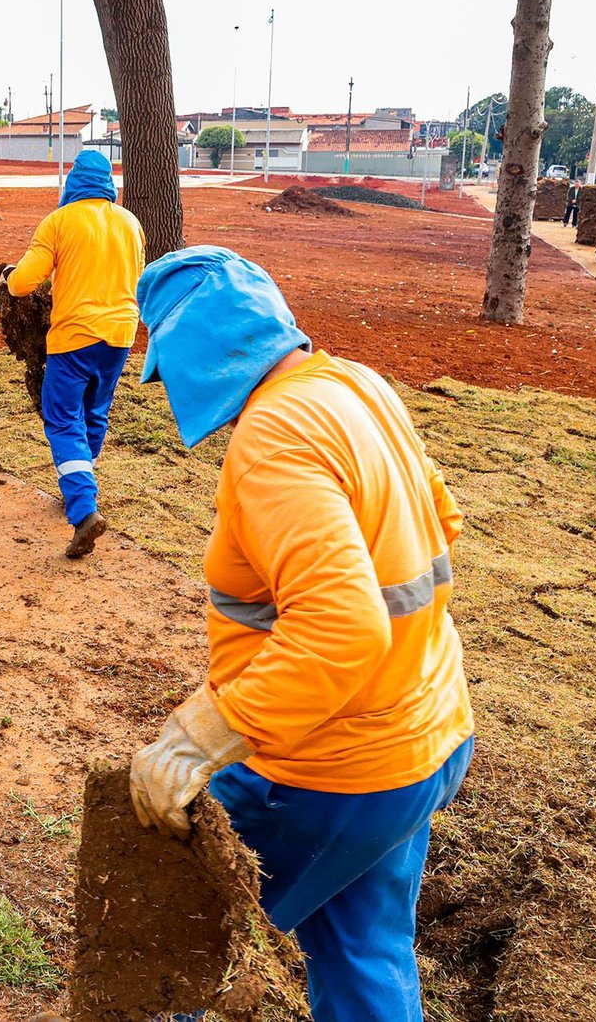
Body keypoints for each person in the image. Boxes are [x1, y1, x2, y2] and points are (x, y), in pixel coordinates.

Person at [127, 246, 474, 1022]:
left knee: (169, 953)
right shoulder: (357, 384)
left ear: (194, 347)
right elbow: (440, 521)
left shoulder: (273, 438)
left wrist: (201, 737)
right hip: (425, 739)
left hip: (327, 775)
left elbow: (342, 624)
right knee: (361, 948)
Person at [1, 150, 144, 559]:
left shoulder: (59, 221)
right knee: (94, 412)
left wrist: (9, 279)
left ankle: (83, 509)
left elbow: (25, 282)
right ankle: (81, 483)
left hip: (74, 336)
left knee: (63, 418)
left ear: (73, 182)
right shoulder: (130, 222)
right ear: (108, 183)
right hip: (120, 334)